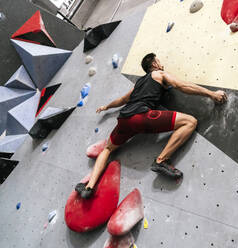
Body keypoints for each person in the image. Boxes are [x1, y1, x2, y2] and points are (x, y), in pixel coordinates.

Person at [75, 53, 227, 198]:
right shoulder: (159, 74)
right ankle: (161, 161)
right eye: (159, 61)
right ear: (154, 64)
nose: (162, 64)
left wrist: (106, 107)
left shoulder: (138, 84)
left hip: (124, 120)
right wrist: (211, 94)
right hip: (142, 117)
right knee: (190, 122)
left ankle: (89, 187)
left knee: (107, 149)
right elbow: (181, 85)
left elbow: (122, 100)